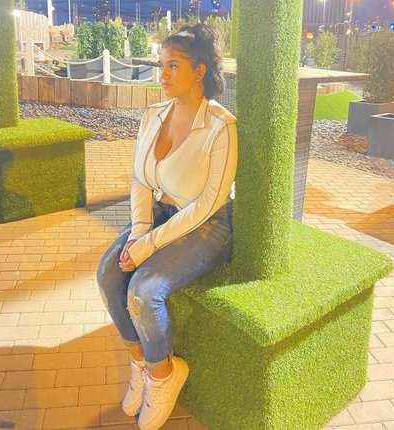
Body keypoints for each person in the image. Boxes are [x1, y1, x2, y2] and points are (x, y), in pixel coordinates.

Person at [97, 23, 238, 430]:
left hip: (207, 224)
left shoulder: (221, 126)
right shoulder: (152, 116)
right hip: (160, 214)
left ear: (199, 71)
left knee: (143, 291)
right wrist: (139, 232)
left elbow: (209, 203)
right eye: (161, 65)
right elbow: (140, 179)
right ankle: (140, 363)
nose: (163, 74)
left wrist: (147, 246)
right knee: (108, 274)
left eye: (173, 65)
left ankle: (164, 375)